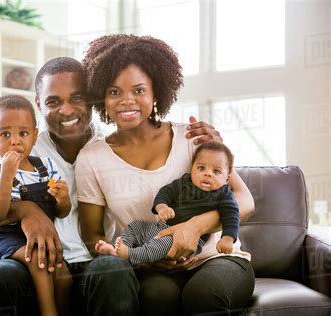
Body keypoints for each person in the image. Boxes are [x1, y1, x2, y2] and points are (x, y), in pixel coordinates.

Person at [0, 56, 225, 315]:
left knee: (112, 269)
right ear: (38, 106)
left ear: (94, 100)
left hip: (95, 263)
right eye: (53, 102)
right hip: (32, 266)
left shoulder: (110, 148)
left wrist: (203, 140)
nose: (66, 110)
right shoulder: (19, 144)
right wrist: (23, 210)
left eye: (77, 98)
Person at [76, 34, 255, 315]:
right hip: (154, 265)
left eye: (138, 90)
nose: (126, 101)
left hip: (215, 257)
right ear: (101, 96)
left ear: (156, 91)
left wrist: (194, 226)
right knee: (157, 297)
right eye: (114, 92)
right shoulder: (92, 158)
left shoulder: (192, 137)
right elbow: (92, 234)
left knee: (203, 296)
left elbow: (244, 200)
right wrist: (141, 258)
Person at [0, 95, 72, 316]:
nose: (15, 141)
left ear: (35, 135)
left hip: (42, 238)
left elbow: (61, 212)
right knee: (40, 260)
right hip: (2, 240)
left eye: (23, 133)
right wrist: (6, 177)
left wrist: (63, 199)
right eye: (5, 134)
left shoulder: (46, 167)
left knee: (64, 275)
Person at [95, 141, 240, 266]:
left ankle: (129, 255)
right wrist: (162, 207)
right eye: (201, 168)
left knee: (160, 247)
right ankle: (120, 248)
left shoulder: (223, 194)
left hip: (184, 241)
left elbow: (232, 215)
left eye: (216, 171)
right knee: (136, 226)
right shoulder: (185, 182)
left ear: (227, 179)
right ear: (192, 168)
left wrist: (227, 238)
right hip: (160, 228)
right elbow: (165, 192)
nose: (207, 174)